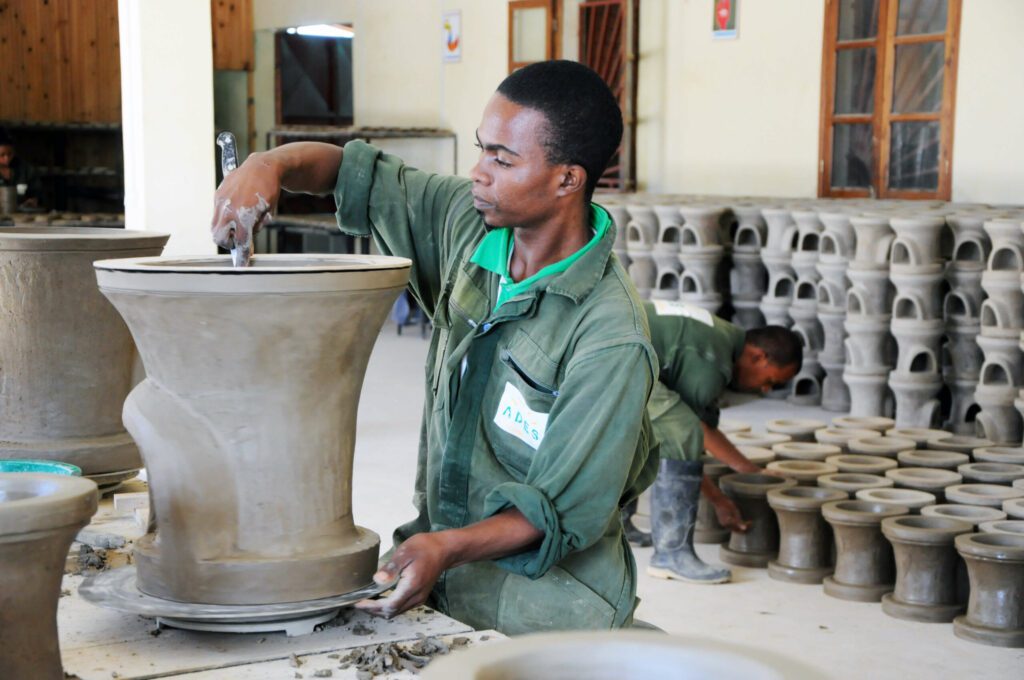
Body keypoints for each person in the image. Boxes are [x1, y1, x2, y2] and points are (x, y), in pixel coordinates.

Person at [210, 61, 659, 635]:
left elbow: (559, 510)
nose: (478, 173)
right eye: (481, 150)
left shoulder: (608, 336)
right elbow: (354, 173)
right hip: (443, 570)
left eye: (502, 159)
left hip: (546, 608)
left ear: (567, 179)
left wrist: (444, 548)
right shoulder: (469, 227)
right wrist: (267, 165)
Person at [622, 300, 801, 584]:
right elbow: (691, 434)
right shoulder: (712, 358)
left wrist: (718, 499)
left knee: (647, 428)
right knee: (675, 428)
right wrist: (750, 473)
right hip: (615, 354)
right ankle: (671, 555)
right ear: (759, 357)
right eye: (770, 381)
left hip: (615, 347)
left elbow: (696, 441)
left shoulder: (721, 340)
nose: (766, 389)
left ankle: (619, 525)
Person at [0, 130, 41, 209]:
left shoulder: (25, 169)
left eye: (10, 154)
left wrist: (33, 200)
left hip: (22, 214)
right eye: (2, 155)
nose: (7, 158)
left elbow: (37, 192)